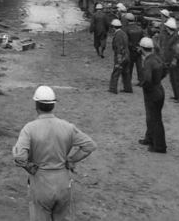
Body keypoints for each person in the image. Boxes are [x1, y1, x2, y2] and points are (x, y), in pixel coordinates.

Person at [12, 85, 97, 220]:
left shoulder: (29, 129)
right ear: (53, 105)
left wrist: (27, 165)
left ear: (36, 105)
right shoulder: (67, 126)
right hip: (63, 182)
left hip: (41, 183)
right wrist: (71, 159)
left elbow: (19, 156)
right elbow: (89, 145)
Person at [138, 36, 167, 153]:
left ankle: (160, 146)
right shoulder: (157, 58)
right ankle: (149, 138)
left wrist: (146, 87)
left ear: (142, 48)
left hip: (152, 91)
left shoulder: (148, 62)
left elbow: (147, 79)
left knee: (154, 118)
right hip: (159, 88)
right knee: (152, 116)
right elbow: (165, 70)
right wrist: (158, 79)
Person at [109, 19, 132, 94]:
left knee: (116, 73)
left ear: (113, 27)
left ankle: (113, 89)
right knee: (126, 73)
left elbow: (119, 48)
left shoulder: (118, 36)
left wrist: (119, 61)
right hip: (127, 55)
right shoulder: (123, 33)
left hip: (121, 56)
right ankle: (128, 88)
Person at [163, 18, 179, 100]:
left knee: (177, 79)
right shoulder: (170, 36)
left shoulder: (176, 37)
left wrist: (175, 59)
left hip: (175, 60)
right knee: (172, 79)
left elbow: (178, 50)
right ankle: (176, 95)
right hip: (170, 59)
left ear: (168, 28)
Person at [125, 13, 145, 85]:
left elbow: (126, 40)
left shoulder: (126, 29)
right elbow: (143, 38)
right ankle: (141, 80)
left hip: (130, 50)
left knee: (129, 65)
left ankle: (128, 79)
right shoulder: (139, 29)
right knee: (139, 66)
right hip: (138, 49)